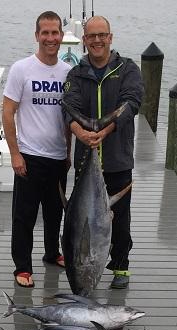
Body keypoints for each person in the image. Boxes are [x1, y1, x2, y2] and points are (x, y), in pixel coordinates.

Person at [63, 16, 143, 289]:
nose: (97, 40)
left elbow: (132, 103)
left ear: (110, 37)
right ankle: (80, 262)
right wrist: (81, 132)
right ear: (84, 40)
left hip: (117, 157)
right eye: (91, 36)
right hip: (85, 158)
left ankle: (121, 266)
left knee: (120, 218)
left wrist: (103, 131)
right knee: (80, 220)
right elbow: (68, 108)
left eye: (102, 35)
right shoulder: (76, 74)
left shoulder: (127, 69)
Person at [3, 11, 71, 288]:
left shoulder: (67, 72)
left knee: (55, 212)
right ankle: (22, 266)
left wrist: (68, 152)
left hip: (58, 156)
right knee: (25, 216)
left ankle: (52, 253)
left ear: (61, 36)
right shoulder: (21, 69)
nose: (50, 38)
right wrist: (15, 153)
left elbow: (68, 117)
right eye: (45, 33)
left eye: (55, 33)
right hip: (29, 156)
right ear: (36, 35)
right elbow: (8, 113)